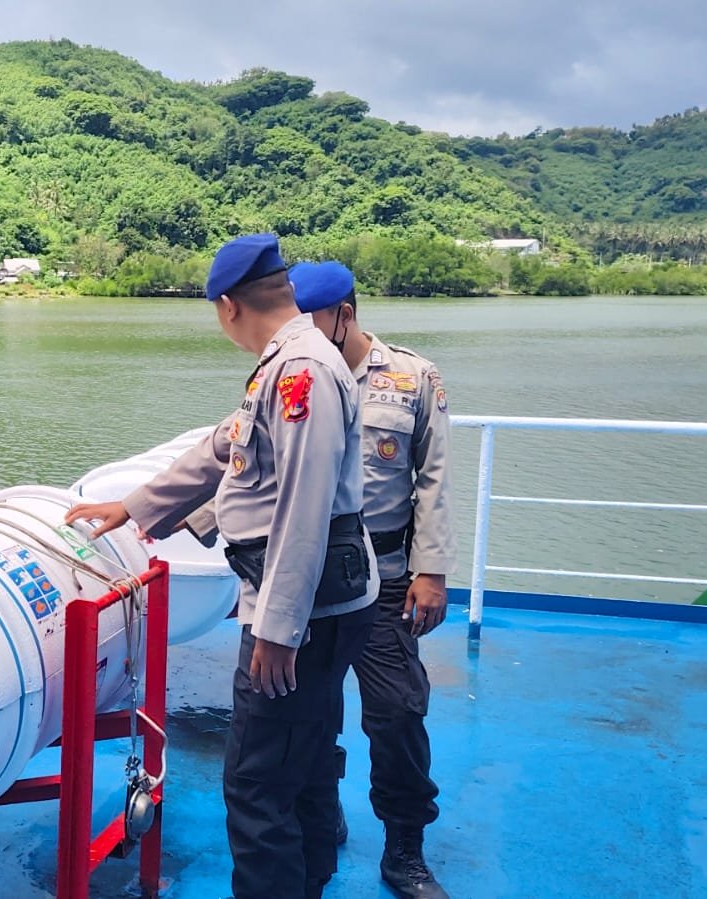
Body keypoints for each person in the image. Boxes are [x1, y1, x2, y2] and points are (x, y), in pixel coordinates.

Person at [66, 233, 379, 898]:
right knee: (307, 760)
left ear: (227, 307)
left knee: (256, 784)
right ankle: (311, 879)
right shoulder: (288, 362)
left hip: (304, 608)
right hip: (318, 599)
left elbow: (303, 507)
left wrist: (275, 629)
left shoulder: (301, 371)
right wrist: (133, 506)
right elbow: (221, 449)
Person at [290, 260, 453, 899]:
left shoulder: (413, 379)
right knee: (310, 709)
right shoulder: (293, 375)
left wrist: (431, 570)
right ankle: (323, 811)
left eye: (311, 323)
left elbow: (433, 478)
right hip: (314, 580)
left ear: (344, 315)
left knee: (398, 712)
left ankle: (404, 851)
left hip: (386, 580)